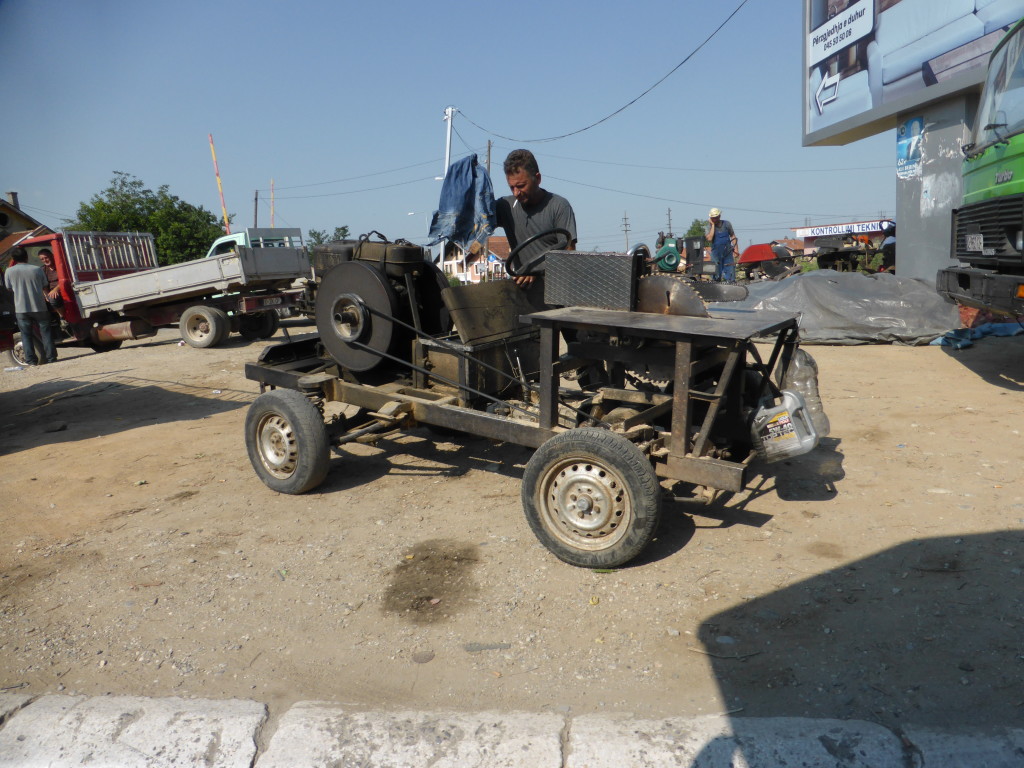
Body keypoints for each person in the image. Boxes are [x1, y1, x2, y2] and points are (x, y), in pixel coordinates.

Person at [495, 149, 577, 293]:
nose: (516, 193)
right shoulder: (505, 207)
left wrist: (535, 270)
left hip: (555, 292)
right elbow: (476, 219)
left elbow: (569, 255)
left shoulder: (559, 206)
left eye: (521, 186)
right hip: (523, 293)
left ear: (537, 178)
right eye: (511, 187)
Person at [3, 247, 57, 365]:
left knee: (26, 335)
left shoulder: (9, 271)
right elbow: (44, 285)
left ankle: (31, 360)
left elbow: (9, 288)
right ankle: (51, 358)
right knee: (46, 333)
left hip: (21, 309)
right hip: (39, 307)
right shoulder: (37, 269)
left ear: (14, 259)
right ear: (26, 257)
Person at [705, 207, 739, 283]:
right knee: (715, 272)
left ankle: (731, 282)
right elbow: (710, 238)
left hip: (727, 252)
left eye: (715, 217)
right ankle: (716, 282)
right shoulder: (708, 226)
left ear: (719, 216)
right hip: (716, 253)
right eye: (712, 218)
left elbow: (733, 236)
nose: (714, 219)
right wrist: (713, 225)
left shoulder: (727, 224)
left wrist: (736, 249)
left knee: (730, 270)